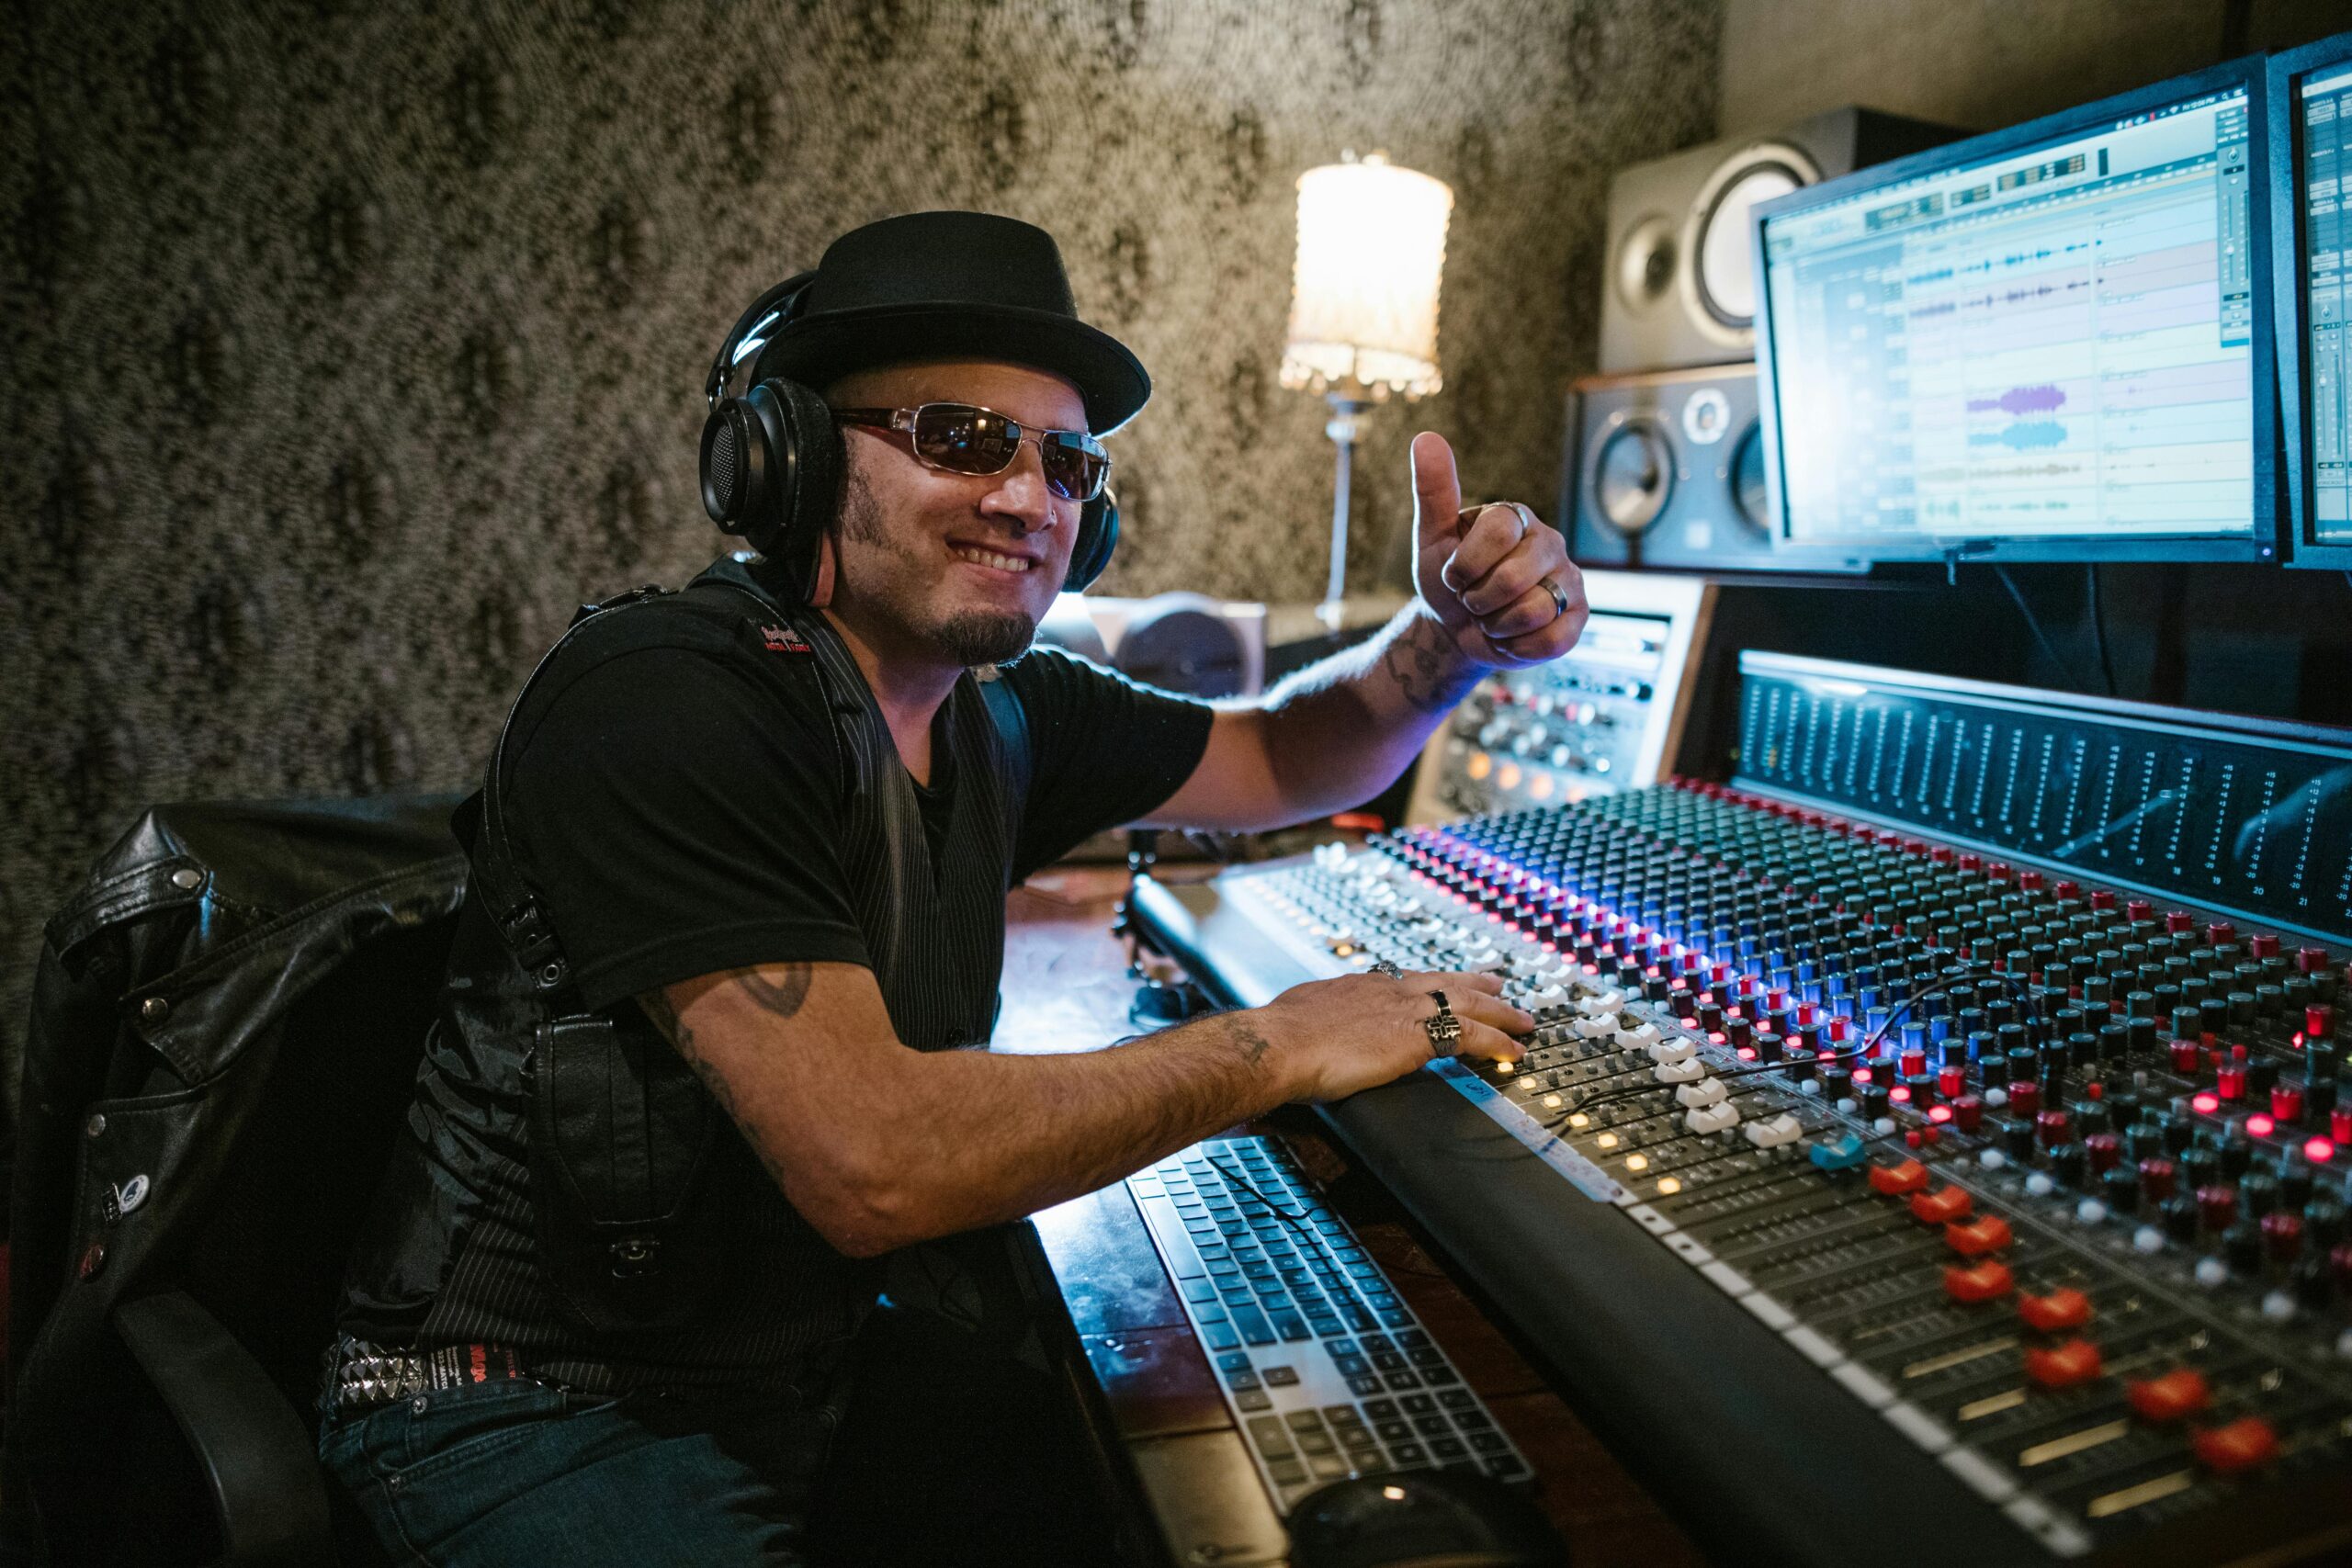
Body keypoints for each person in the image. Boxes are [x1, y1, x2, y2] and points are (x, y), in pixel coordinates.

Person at [321, 210, 1588, 1564]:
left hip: (801, 1369)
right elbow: (875, 1164)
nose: (1027, 499)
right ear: (790, 458)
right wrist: (1277, 1041)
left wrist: (1444, 640)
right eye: (960, 439)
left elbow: (1281, 752)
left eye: (1065, 464)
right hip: (523, 1410)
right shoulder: (665, 698)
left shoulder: (1000, 713)